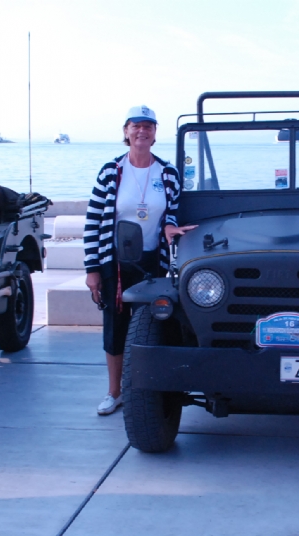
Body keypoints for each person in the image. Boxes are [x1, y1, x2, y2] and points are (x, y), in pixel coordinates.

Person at [84, 105, 197, 415]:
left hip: (153, 263)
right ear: (126, 131)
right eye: (136, 126)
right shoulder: (111, 172)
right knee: (116, 327)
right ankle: (115, 392)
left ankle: (153, 390)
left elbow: (171, 213)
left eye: (148, 126)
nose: (142, 131)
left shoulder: (168, 173)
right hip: (116, 264)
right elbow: (93, 222)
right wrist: (92, 269)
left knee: (155, 324)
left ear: (155, 133)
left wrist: (170, 227)